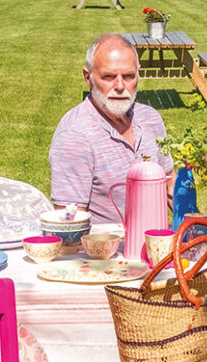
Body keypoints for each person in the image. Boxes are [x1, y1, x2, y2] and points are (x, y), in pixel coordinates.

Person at [49, 33, 173, 224]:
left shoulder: (150, 118)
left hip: (158, 245)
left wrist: (201, 224)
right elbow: (69, 223)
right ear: (87, 77)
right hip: (105, 251)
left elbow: (169, 181)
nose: (120, 86)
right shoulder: (75, 136)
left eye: (129, 76)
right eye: (108, 77)